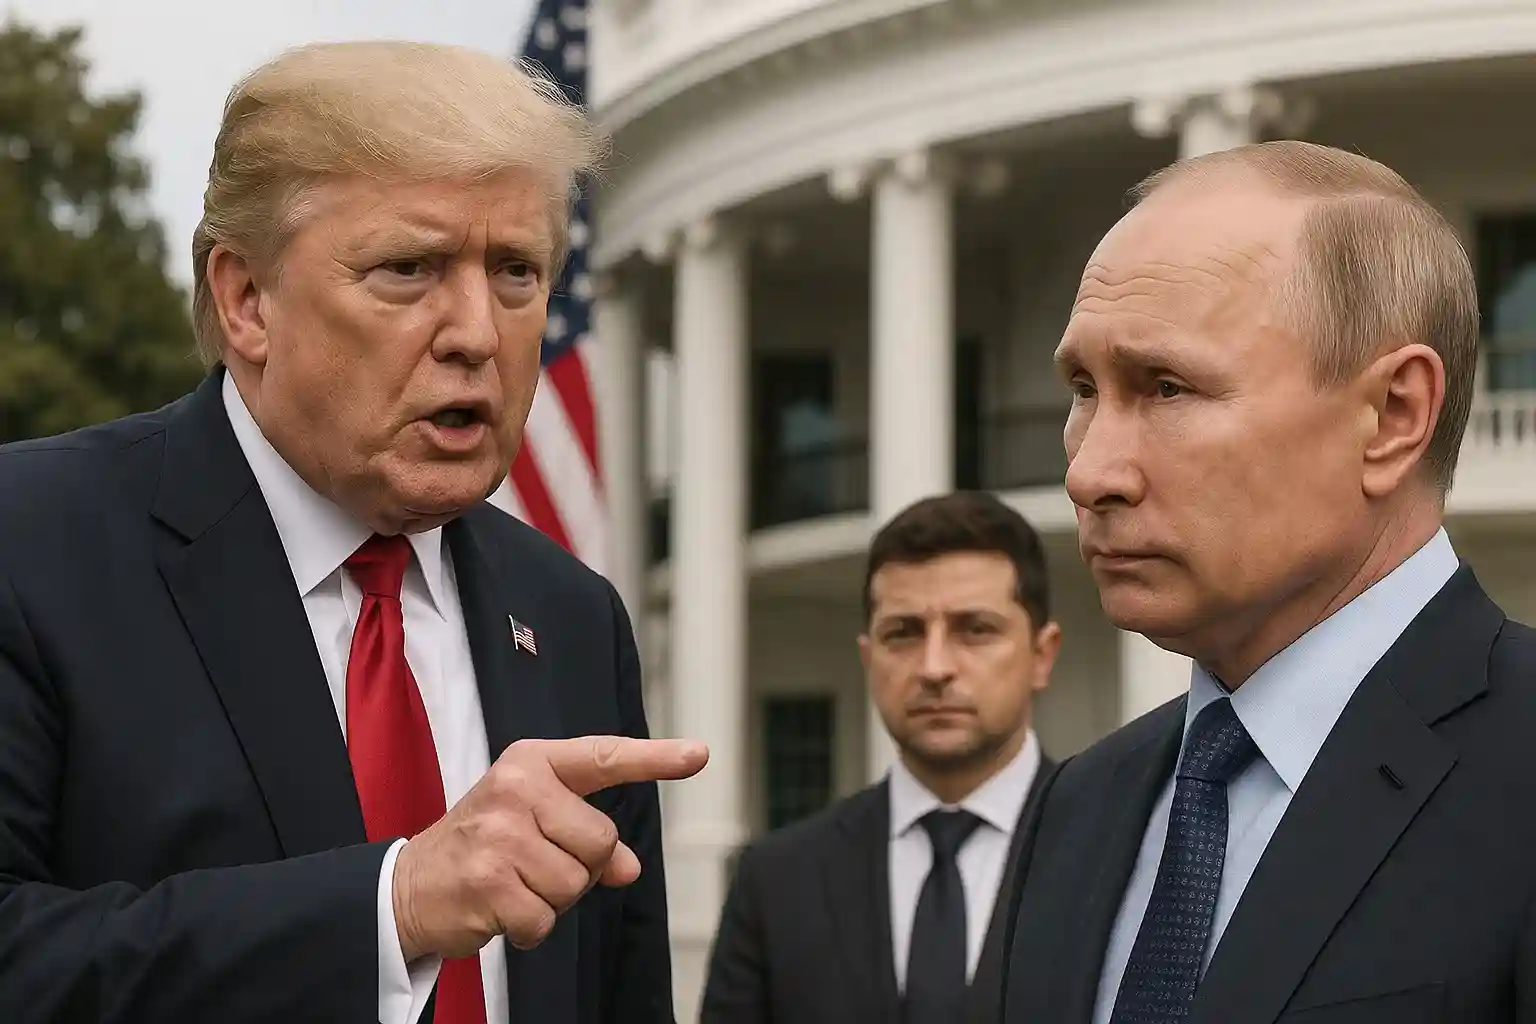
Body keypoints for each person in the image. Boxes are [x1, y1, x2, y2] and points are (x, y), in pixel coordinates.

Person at [0, 41, 708, 1024]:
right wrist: (393, 909)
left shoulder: (573, 617)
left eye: (516, 271)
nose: (477, 333)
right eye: (409, 269)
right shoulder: (33, 545)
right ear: (247, 300)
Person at [999, 139, 1536, 1023]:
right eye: (1084, 388)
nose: (1089, 473)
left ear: (1393, 416)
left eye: (1166, 388)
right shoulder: (1075, 808)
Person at [702, 491, 1063, 1024]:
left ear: (1041, 654)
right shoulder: (775, 881)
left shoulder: (1121, 853)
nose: (934, 668)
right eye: (903, 633)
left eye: (975, 630)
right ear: (869, 658)